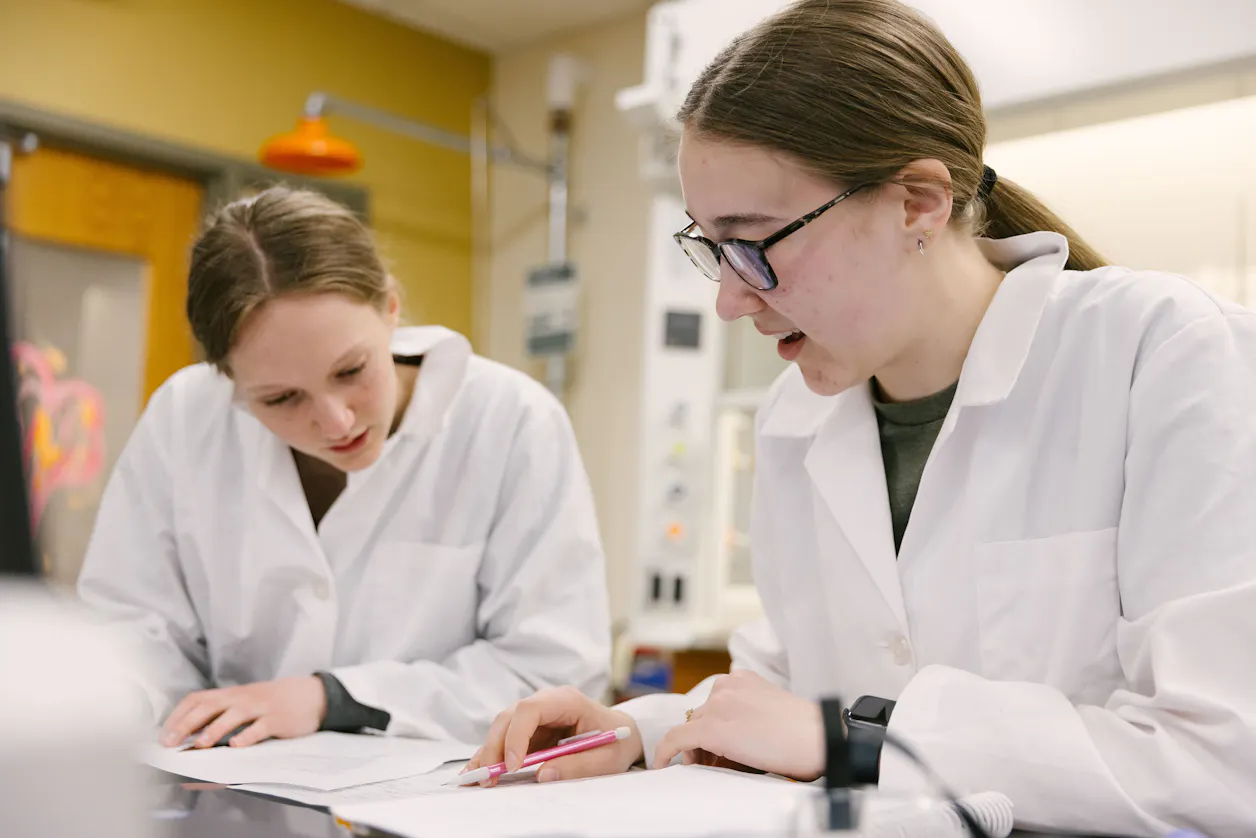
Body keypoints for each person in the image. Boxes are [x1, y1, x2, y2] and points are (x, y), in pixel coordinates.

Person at [465, 1, 1256, 835]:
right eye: (712, 248)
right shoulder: (795, 416)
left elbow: (1224, 760)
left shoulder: (1159, 352)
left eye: (755, 243)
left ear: (918, 202)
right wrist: (642, 729)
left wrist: (864, 739)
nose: (731, 300)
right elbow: (788, 687)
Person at [77, 186, 611, 749]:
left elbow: (555, 673)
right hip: (228, 788)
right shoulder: (186, 419)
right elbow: (135, 629)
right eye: (282, 399)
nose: (335, 422)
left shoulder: (510, 422)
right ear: (229, 379)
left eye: (351, 370)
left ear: (390, 308)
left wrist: (331, 697)